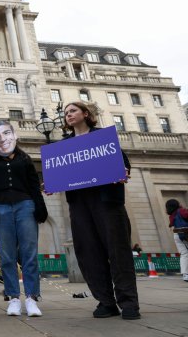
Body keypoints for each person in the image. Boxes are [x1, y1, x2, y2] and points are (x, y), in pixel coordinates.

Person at [61, 101, 140, 320]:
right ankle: (106, 301)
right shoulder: (64, 145)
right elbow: (59, 173)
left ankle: (129, 302)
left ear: (85, 114)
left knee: (118, 252)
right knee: (88, 253)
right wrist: (50, 184)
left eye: (73, 110)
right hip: (80, 205)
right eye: (66, 113)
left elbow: (123, 162)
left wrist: (123, 170)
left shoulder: (104, 137)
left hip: (107, 202)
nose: (68, 115)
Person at [0, 120, 48, 317]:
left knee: (29, 253)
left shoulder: (25, 159)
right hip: (0, 208)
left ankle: (32, 298)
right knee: (7, 255)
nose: (2, 139)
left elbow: (34, 185)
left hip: (25, 206)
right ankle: (13, 298)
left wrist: (40, 206)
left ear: (13, 136)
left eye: (6, 134)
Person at [165, 199, 188, 282]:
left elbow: (171, 224)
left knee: (184, 254)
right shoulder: (181, 211)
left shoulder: (171, 215)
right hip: (185, 234)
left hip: (177, 235)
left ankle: (185, 274)